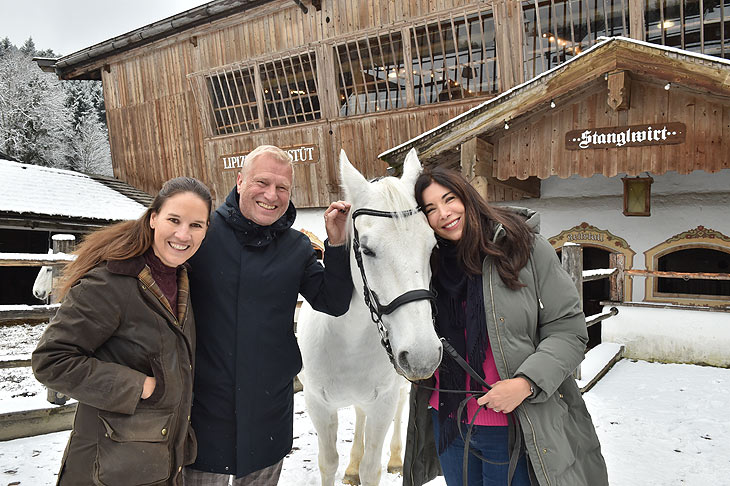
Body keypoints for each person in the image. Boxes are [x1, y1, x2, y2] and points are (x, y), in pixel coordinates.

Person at [403, 167, 609, 486]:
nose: (443, 213)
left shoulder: (522, 247)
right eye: (430, 208)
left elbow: (569, 330)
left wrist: (526, 383)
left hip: (512, 424)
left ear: (468, 198)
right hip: (447, 421)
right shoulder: (425, 263)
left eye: (449, 199)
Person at [184, 145, 353, 485]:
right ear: (240, 180)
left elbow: (333, 302)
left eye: (282, 188)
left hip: (267, 409)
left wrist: (336, 244)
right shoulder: (201, 235)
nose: (271, 195)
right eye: (262, 182)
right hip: (204, 408)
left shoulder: (297, 247)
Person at [32, 177, 213, 486]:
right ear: (153, 218)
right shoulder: (110, 282)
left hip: (157, 465)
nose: (183, 234)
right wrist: (138, 386)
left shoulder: (182, 280)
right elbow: (51, 361)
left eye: (196, 225)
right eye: (174, 220)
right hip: (107, 470)